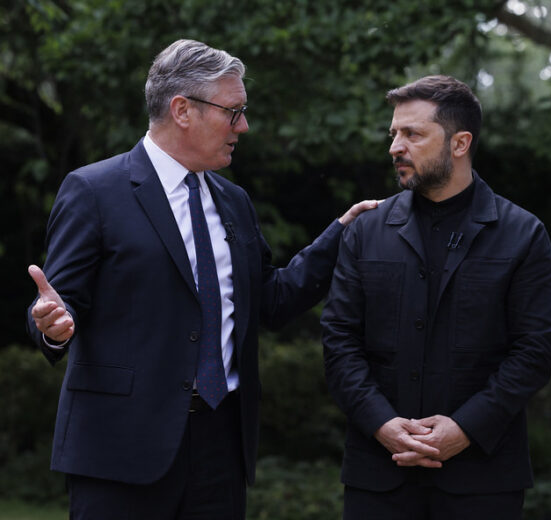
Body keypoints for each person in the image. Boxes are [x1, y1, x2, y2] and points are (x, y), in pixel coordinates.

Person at [26, 39, 378, 520]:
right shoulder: (94, 190)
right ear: (182, 110)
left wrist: (341, 235)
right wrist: (51, 326)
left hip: (221, 447)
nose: (243, 126)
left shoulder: (234, 201)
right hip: (120, 450)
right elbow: (57, 303)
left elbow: (271, 301)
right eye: (233, 112)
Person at [320, 75, 551, 520]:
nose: (395, 147)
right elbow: (339, 340)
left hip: (483, 479)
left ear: (460, 143)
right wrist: (381, 423)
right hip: (379, 474)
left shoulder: (523, 234)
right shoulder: (366, 231)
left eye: (412, 134)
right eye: (394, 133)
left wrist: (465, 428)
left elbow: (534, 352)